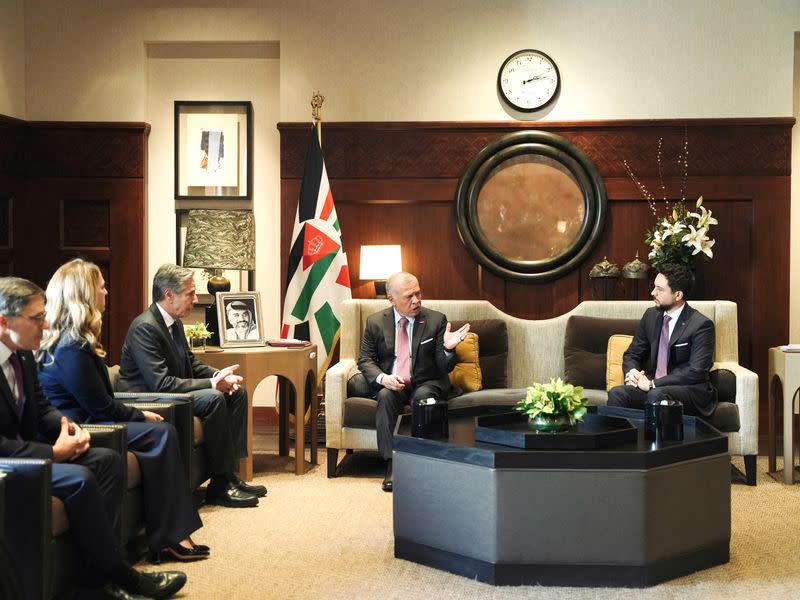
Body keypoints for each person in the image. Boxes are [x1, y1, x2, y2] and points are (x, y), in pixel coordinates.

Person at [0, 276, 186, 600]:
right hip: (11, 463)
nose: (45, 326)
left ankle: (93, 580)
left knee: (107, 460)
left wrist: (67, 427)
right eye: (36, 318)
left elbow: (42, 406)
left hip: (32, 452)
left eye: (45, 315)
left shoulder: (22, 354)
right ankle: (123, 576)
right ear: (4, 321)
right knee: (81, 479)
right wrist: (52, 453)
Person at [37, 259, 209, 563]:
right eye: (102, 286)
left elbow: (102, 399)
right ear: (87, 294)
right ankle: (170, 536)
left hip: (95, 419)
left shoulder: (78, 341)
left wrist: (134, 413)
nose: (107, 290)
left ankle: (168, 534)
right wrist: (138, 414)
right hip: (85, 426)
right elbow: (100, 406)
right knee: (161, 434)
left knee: (162, 432)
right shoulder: (70, 347)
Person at [117, 264, 265, 508]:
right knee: (214, 397)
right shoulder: (145, 327)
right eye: (190, 294)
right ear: (169, 295)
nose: (195, 300)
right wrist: (211, 384)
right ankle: (219, 487)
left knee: (236, 394)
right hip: (148, 399)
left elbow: (191, 363)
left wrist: (220, 376)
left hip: (170, 393)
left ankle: (229, 476)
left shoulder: (174, 322)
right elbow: (161, 383)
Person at [357, 272, 470, 492]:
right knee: (384, 395)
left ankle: (424, 463)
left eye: (418, 293)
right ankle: (393, 464)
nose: (416, 300)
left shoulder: (436, 320)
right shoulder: (375, 322)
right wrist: (384, 378)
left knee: (423, 398)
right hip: (394, 382)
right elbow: (366, 359)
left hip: (427, 381)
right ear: (391, 299)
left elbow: (444, 366)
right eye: (409, 296)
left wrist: (448, 348)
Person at [607, 263, 717, 418]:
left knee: (656, 395)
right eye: (654, 287)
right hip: (653, 388)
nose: (653, 293)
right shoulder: (651, 316)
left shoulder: (701, 325)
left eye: (660, 289)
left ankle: (654, 443)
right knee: (617, 394)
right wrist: (633, 373)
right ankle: (620, 442)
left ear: (678, 295)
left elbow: (695, 372)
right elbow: (632, 354)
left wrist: (653, 384)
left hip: (688, 390)